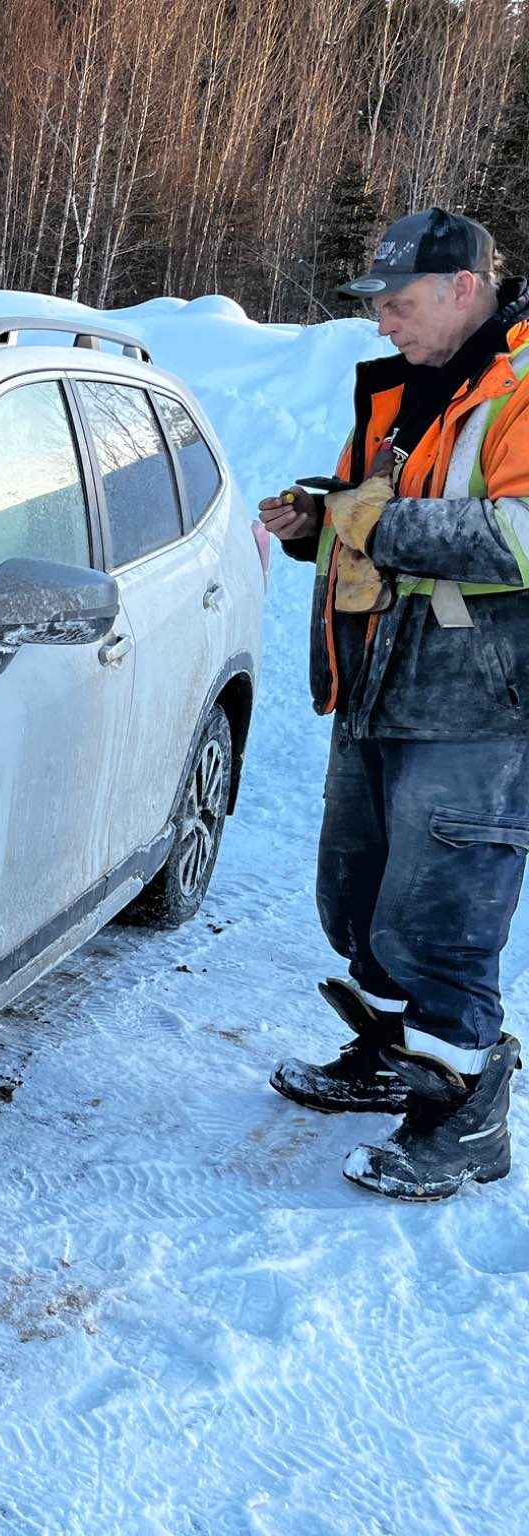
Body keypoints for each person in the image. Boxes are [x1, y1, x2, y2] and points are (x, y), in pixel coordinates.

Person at [259, 207, 525, 1200]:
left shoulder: (520, 385)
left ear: (463, 288)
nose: (381, 324)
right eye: (374, 306)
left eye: (397, 303)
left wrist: (376, 524)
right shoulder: (404, 393)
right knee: (358, 896)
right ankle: (390, 1051)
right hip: (383, 673)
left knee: (440, 911)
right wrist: (316, 520)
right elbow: (369, 515)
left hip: (483, 697)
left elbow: (518, 535)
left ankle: (463, 1115)